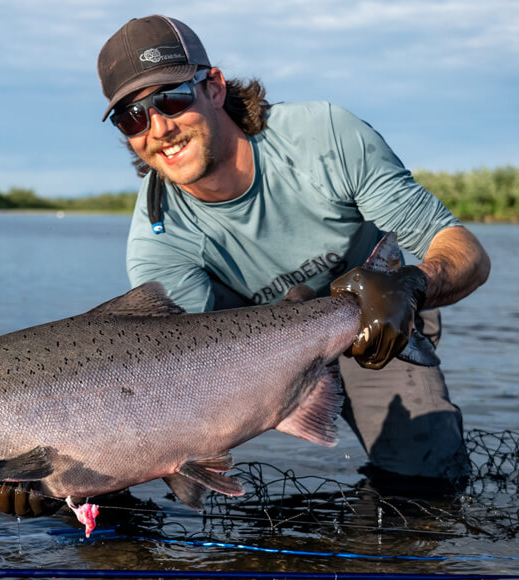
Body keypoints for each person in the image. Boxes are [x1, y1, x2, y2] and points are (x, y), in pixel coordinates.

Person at [99, 15, 491, 495]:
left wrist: (410, 288)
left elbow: (461, 248)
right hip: (253, 357)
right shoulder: (158, 238)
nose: (158, 128)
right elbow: (184, 382)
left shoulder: (322, 137)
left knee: (425, 473)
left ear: (215, 87)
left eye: (171, 99)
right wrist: (59, 481)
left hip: (378, 321)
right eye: (132, 117)